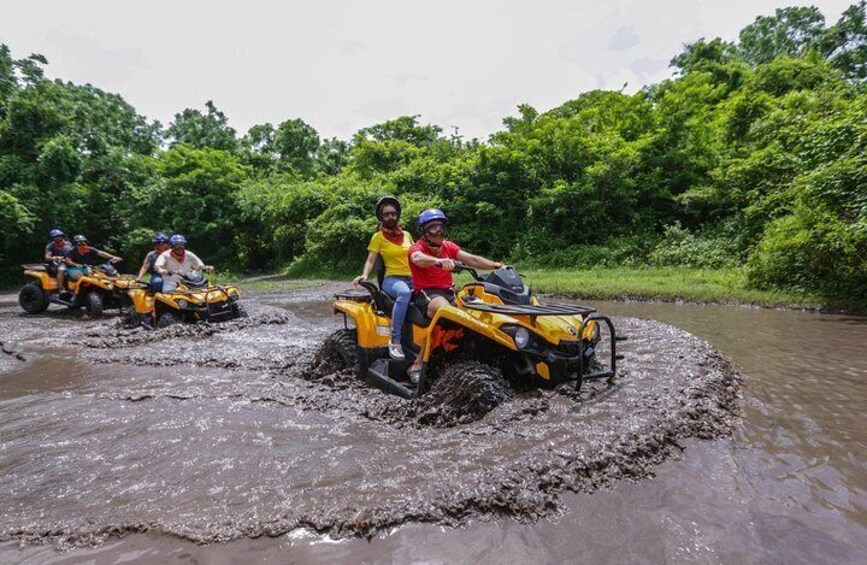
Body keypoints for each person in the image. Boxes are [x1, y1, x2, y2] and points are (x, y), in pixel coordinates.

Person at [406, 208, 502, 382]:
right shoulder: (416, 248)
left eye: (440, 227)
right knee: (446, 313)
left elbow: (471, 259)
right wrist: (438, 261)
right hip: (427, 294)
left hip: (449, 292)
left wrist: (496, 265)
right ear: (423, 231)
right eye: (433, 227)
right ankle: (418, 364)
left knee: (477, 310)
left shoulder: (448, 246)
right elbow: (417, 259)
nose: (438, 231)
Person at [352, 196, 415, 359]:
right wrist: (364, 275)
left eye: (393, 214)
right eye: (386, 214)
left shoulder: (407, 235)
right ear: (381, 217)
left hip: (412, 277)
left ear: (397, 215)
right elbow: (370, 259)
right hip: (392, 279)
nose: (390, 217)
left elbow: (417, 256)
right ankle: (395, 340)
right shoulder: (378, 237)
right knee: (405, 293)